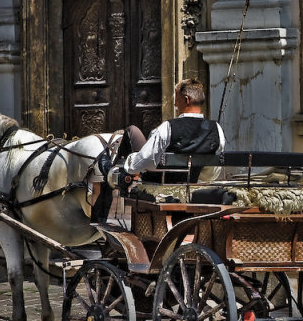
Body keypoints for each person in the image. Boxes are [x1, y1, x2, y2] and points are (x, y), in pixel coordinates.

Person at [90, 78, 225, 223]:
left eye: (177, 98)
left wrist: (129, 167)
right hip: (190, 184)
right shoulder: (216, 129)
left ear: (186, 100)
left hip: (159, 185)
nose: (174, 104)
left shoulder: (168, 127)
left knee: (131, 132)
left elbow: (145, 160)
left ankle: (112, 178)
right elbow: (212, 171)